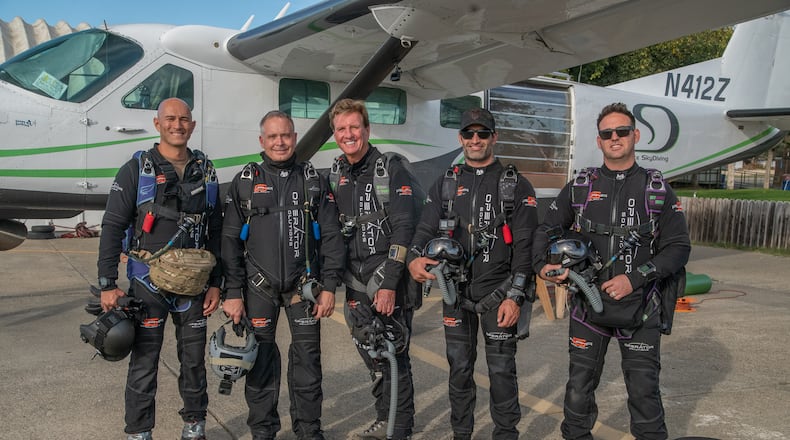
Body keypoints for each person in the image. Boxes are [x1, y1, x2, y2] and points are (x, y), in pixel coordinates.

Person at [532, 102, 691, 440]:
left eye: (622, 131)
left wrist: (634, 278)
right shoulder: (581, 186)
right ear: (599, 141)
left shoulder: (656, 189)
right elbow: (546, 229)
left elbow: (679, 248)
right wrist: (544, 265)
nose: (615, 137)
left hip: (641, 307)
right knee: (578, 391)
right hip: (587, 308)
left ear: (635, 136)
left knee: (644, 394)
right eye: (607, 133)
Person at [407, 107, 539, 440]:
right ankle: (461, 434)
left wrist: (516, 296)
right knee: (459, 368)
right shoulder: (447, 182)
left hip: (500, 294)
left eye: (482, 133)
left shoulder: (515, 185)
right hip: (455, 291)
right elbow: (425, 227)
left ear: (494, 137)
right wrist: (413, 258)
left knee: (501, 371)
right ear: (460, 138)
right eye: (469, 133)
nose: (475, 139)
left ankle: (506, 434)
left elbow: (525, 246)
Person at [97, 97, 222, 440]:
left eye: (183, 119)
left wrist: (217, 283)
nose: (177, 125)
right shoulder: (137, 170)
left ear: (192, 126)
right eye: (170, 119)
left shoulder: (206, 171)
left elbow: (215, 230)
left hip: (193, 286)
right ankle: (139, 432)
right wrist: (107, 283)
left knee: (194, 362)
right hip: (147, 284)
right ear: (157, 124)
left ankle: (194, 426)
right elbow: (112, 225)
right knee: (144, 362)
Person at [221, 111, 345, 440]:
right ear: (262, 141)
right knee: (260, 360)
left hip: (304, 288)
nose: (280, 142)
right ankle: (263, 431)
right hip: (258, 287)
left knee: (308, 361)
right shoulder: (245, 181)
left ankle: (309, 430)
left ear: (294, 138)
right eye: (273, 136)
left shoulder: (313, 180)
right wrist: (232, 291)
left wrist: (330, 285)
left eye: (286, 135)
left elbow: (331, 235)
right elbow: (229, 240)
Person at [328, 98, 417, 440]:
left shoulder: (390, 169)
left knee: (394, 353)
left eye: (354, 127)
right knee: (372, 353)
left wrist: (390, 282)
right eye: (341, 129)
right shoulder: (337, 173)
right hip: (355, 282)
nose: (348, 134)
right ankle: (385, 419)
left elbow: (404, 226)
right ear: (334, 134)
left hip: (386, 279)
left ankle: (399, 428)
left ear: (367, 129)